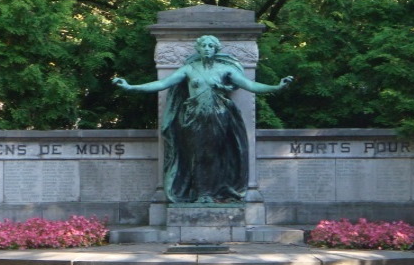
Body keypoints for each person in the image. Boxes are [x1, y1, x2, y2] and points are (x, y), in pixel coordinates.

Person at [113, 35, 293, 204]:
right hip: (193, 117)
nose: (207, 49)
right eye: (204, 46)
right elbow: (162, 84)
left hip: (219, 115)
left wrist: (276, 87)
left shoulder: (226, 69)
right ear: (198, 48)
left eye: (211, 46)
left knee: (214, 154)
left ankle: (212, 193)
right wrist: (131, 87)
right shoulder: (189, 69)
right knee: (196, 155)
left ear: (216, 49)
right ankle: (199, 193)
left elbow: (250, 85)